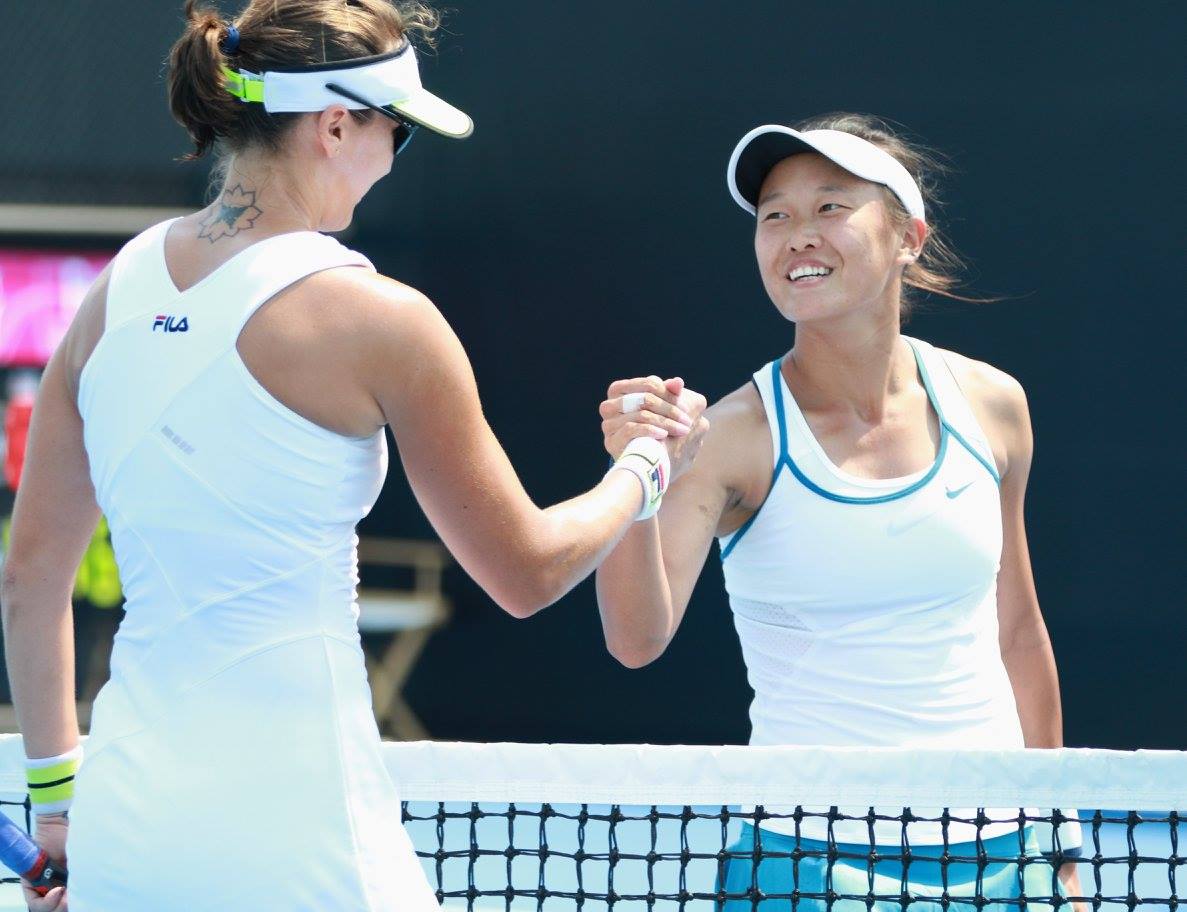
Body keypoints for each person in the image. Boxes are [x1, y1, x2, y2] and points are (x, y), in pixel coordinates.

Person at [0, 2, 707, 909]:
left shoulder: (107, 299)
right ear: (334, 125)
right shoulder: (385, 321)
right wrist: (645, 466)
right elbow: (527, 573)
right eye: (395, 132)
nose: (392, 159)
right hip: (303, 825)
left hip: (124, 831)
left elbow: (29, 579)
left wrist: (58, 808)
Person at [595, 113, 1083, 909]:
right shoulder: (729, 439)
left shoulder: (993, 405)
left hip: (997, 850)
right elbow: (635, 640)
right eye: (774, 216)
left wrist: (1058, 836)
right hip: (803, 858)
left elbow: (1017, 631)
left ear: (907, 238)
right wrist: (639, 479)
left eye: (829, 207)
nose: (797, 235)